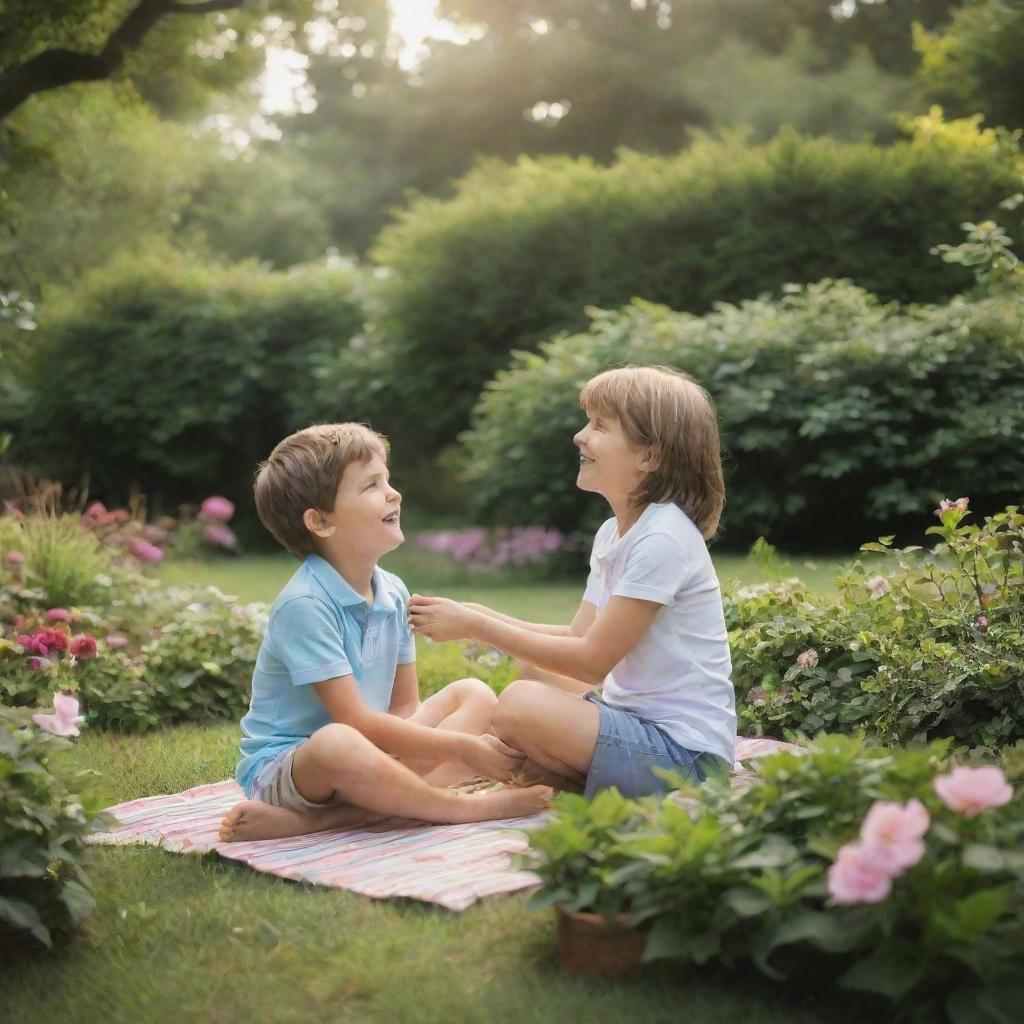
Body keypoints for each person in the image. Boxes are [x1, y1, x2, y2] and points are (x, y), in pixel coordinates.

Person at [409, 365, 736, 800]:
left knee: (521, 705)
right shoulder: (614, 533)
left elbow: (590, 663)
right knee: (532, 677)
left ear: (649, 456)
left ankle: (535, 776)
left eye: (600, 426)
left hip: (687, 759)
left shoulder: (664, 537)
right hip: (641, 730)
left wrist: (476, 628)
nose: (580, 436)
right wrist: (476, 614)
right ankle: (540, 777)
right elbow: (577, 636)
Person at [219, 423, 552, 843]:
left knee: (473, 694)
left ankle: (336, 819)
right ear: (321, 521)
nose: (394, 493)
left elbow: (404, 708)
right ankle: (458, 808)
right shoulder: (305, 604)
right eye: (372, 485)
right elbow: (354, 722)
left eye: (387, 479)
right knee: (337, 741)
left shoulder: (392, 591)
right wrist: (463, 749)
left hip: (366, 749)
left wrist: (423, 752)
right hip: (291, 769)